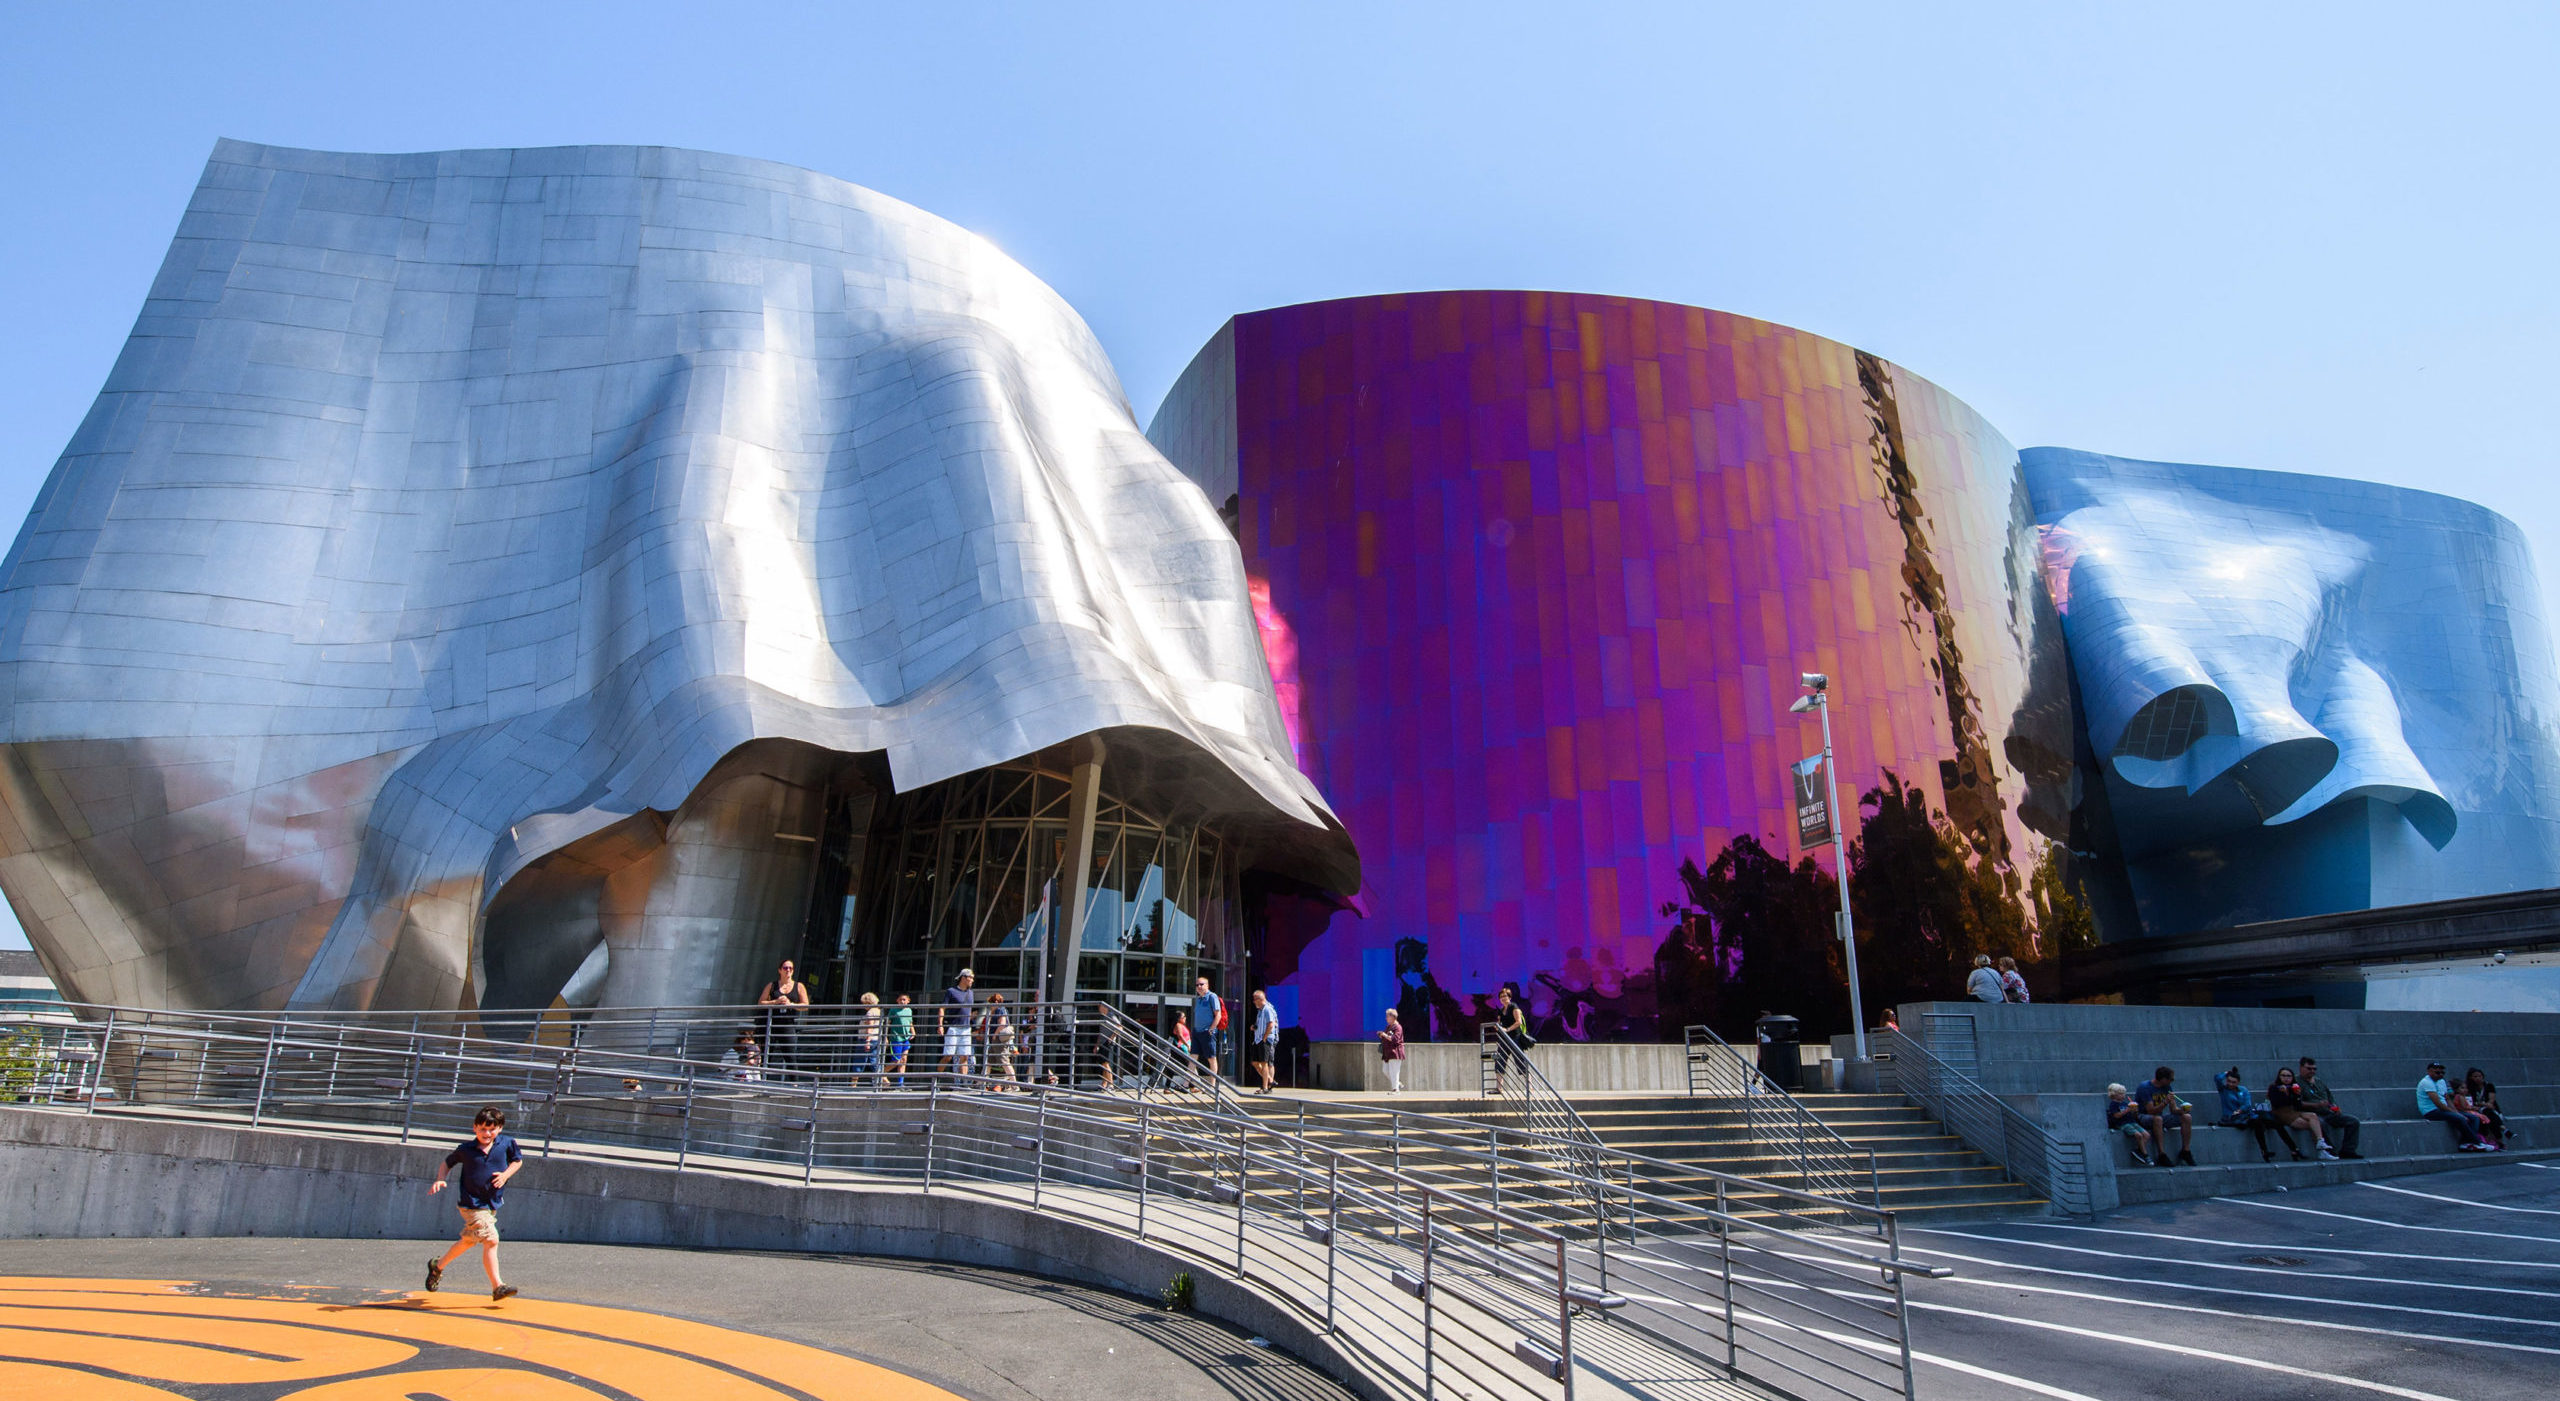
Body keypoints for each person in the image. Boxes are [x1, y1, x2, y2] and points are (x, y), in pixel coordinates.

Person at [424, 1104, 524, 1302]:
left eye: (491, 1129)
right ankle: (498, 1286)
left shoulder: (506, 1143)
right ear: (474, 1128)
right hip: (471, 1204)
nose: (486, 1133)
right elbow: (447, 1162)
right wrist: (440, 1178)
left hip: (491, 1204)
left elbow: (518, 1161)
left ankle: (438, 1266)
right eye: (482, 1129)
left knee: (469, 1241)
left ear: (499, 1129)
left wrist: (505, 1176)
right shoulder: (467, 1149)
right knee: (491, 1239)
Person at [2213, 1067, 2290, 1162]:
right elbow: (2217, 1078)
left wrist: (2241, 1110)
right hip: (2232, 1118)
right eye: (2229, 1081)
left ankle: (2293, 1149)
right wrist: (2226, 1073)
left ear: (2238, 1082)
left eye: (2234, 1082)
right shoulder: (2223, 1090)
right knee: (2258, 1123)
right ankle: (2264, 1150)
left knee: (2274, 1123)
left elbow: (2247, 1104)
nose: (2231, 1084)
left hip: (2245, 1115)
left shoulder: (2243, 1090)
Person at [2295, 1056, 2362, 1159]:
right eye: (2309, 1068)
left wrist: (2335, 1107)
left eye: (2314, 1069)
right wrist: (2316, 1105)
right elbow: (2298, 1103)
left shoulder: (2319, 1082)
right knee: (2320, 1123)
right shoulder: (2296, 1082)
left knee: (2353, 1121)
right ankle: (2331, 1151)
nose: (2312, 1071)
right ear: (2301, 1068)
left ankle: (2348, 1150)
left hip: (2328, 1113)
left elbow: (2330, 1098)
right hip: (2313, 1114)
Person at [2266, 1066, 2335, 1160]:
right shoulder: (2274, 1087)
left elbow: (2298, 1105)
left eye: (2289, 1076)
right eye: (2283, 1075)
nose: (2286, 1078)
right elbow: (2277, 1103)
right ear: (2279, 1076)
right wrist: (2284, 1094)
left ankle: (2320, 1142)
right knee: (2312, 1125)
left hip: (2294, 1111)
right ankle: (2321, 1151)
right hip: (2282, 1113)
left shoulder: (2294, 1087)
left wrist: (2297, 1095)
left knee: (2313, 1116)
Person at [2417, 1061, 2490, 1150]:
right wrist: (2457, 1114)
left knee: (2474, 1118)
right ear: (2429, 1071)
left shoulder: (2441, 1081)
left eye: (2442, 1072)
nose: (2440, 1074)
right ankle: (2477, 1142)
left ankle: (2466, 1143)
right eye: (2437, 1072)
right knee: (2460, 1118)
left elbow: (2447, 1098)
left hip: (2443, 1109)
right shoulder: (2426, 1082)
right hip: (2431, 1111)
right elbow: (2438, 1103)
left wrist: (2455, 1111)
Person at [2133, 1066, 2195, 1166]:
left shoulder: (2167, 1087)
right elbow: (2150, 1110)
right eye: (2171, 1079)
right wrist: (2165, 1102)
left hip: (2159, 1117)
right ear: (2163, 1079)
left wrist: (2183, 1110)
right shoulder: (2145, 1087)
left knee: (2187, 1117)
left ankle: (2185, 1151)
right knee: (2158, 1119)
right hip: (2143, 1116)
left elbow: (2173, 1110)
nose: (2172, 1081)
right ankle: (2162, 1154)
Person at [757, 958, 810, 1073]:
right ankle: (762, 1081)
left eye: (791, 968)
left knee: (790, 1055)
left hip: (788, 1024)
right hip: (772, 1024)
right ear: (780, 970)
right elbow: (761, 1002)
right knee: (767, 1054)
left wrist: (791, 1004)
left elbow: (805, 1005)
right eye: (785, 968)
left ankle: (794, 1084)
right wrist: (775, 1002)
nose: (788, 970)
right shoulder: (772, 985)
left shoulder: (799, 986)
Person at [1490, 984, 1534, 1094]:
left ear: (1509, 997)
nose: (1503, 998)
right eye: (1501, 996)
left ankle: (1530, 1088)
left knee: (1520, 1061)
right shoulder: (1501, 1010)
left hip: (1515, 1038)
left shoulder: (1514, 1007)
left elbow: (1518, 1022)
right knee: (1500, 1061)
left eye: (1505, 996)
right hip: (1504, 1039)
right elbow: (1500, 1021)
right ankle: (1499, 1088)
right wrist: (1498, 1026)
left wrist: (1507, 1029)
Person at [2106, 1084, 2160, 1167]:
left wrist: (2134, 1112)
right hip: (2123, 1124)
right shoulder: (2113, 1104)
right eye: (2121, 1094)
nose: (2124, 1095)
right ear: (2114, 1095)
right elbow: (2116, 1116)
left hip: (2132, 1122)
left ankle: (2138, 1151)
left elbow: (2132, 1116)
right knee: (2138, 1135)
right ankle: (2145, 1155)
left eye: (2124, 1093)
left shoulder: (2125, 1103)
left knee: (2147, 1135)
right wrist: (2127, 1110)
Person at [938, 969, 978, 1081]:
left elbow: (968, 1011)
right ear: (964, 977)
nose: (972, 980)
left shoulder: (971, 993)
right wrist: (940, 1025)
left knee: (965, 1056)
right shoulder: (951, 991)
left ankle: (963, 1084)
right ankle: (936, 1079)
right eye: (971, 977)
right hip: (953, 1028)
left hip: (966, 1028)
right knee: (948, 1056)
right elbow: (942, 1008)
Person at [2461, 1068, 2511, 1148]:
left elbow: (2491, 1103)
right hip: (2476, 1109)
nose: (2478, 1078)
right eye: (2475, 1076)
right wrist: (2482, 1104)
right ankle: (2503, 1131)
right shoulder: (2468, 1088)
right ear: (2470, 1077)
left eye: (2480, 1076)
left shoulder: (2489, 1086)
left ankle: (2500, 1140)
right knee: (2488, 1116)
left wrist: (2481, 1104)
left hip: (2490, 1110)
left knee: (2488, 1113)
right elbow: (2469, 1102)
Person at [1190, 977, 1225, 1081]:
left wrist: (1211, 1029)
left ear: (1207, 985)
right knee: (1192, 1058)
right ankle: (1186, 1084)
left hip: (1208, 1032)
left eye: (1201, 984)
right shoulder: (1198, 999)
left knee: (1211, 1058)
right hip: (1197, 1031)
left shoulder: (1212, 997)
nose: (1199, 987)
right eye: (1197, 985)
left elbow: (1218, 1015)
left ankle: (1212, 1085)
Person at [1247, 988, 1280, 1094]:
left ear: (1260, 999)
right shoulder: (1260, 1011)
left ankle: (1266, 1087)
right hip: (1258, 1039)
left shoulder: (1267, 1009)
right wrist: (1254, 1027)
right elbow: (1260, 1024)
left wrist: (1265, 1037)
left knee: (1265, 1063)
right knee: (1255, 1062)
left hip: (1265, 1039)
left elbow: (1271, 1024)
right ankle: (1270, 1080)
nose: (1253, 1002)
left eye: (1255, 999)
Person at [853, 992, 884, 1087]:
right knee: (874, 1061)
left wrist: (867, 1041)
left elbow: (870, 1026)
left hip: (867, 1039)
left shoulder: (870, 1012)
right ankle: (882, 1080)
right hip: (876, 1039)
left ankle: (853, 1084)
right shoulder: (879, 1011)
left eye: (864, 1003)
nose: (863, 1005)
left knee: (859, 1061)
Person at [986, 994, 1017, 1087]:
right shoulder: (999, 1010)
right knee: (989, 1062)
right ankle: (982, 1082)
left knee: (1004, 1062)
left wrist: (994, 1035)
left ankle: (1015, 1085)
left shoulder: (1000, 1009)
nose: (990, 1006)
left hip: (998, 1041)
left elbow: (1002, 1024)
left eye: (991, 1003)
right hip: (995, 1041)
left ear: (995, 1002)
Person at [886, 993, 915, 1088]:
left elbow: (910, 1022)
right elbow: (888, 1023)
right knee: (896, 1061)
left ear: (908, 1001)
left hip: (905, 1038)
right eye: (900, 1000)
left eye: (904, 1000)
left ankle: (900, 1084)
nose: (902, 1002)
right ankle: (880, 1073)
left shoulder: (909, 1010)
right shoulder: (893, 1010)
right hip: (896, 1038)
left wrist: (913, 1032)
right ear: (897, 1001)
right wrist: (885, 1036)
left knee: (904, 1060)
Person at [1378, 1007, 1407, 1093]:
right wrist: (1382, 1035)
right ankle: (1397, 1083)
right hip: (1387, 1052)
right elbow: (1386, 1037)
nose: (1386, 1018)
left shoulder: (1398, 1027)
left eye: (1387, 1016)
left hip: (1395, 1052)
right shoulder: (1388, 1027)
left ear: (1393, 1017)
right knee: (1386, 1070)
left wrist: (1385, 1035)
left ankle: (1396, 1090)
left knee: (1394, 1071)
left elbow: (1395, 1039)